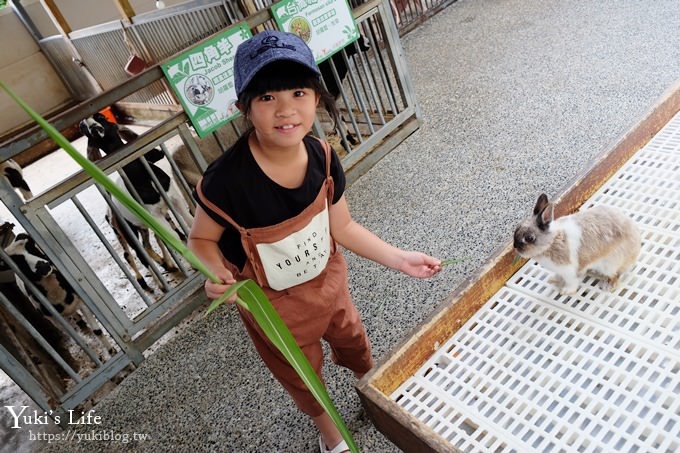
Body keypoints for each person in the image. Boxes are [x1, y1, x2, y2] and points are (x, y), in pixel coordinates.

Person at [188, 30, 441, 453]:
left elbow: (342, 228)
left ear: (317, 99)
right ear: (243, 108)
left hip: (328, 283)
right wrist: (215, 271)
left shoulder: (323, 157)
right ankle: (330, 433)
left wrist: (399, 259)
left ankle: (374, 390)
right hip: (274, 308)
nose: (286, 109)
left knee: (356, 342)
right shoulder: (226, 181)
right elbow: (200, 240)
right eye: (267, 98)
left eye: (298, 92)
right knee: (301, 374)